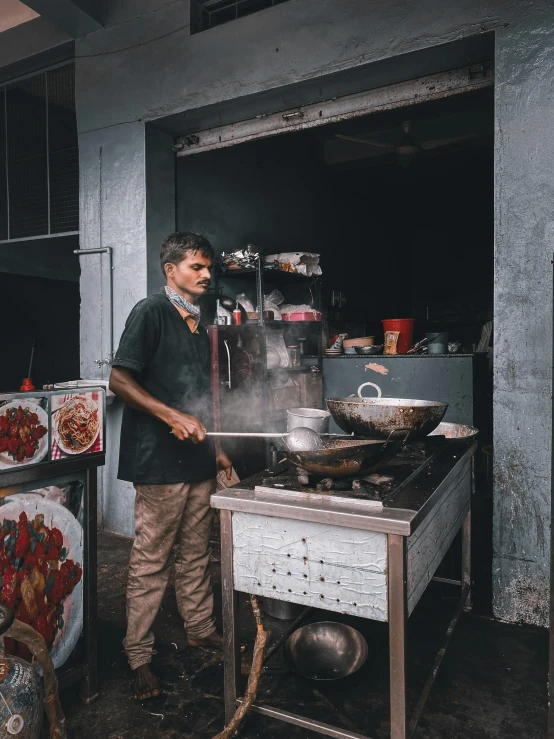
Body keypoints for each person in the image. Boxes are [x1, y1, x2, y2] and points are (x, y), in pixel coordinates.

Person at [109, 232, 232, 701]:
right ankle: (138, 655)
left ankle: (199, 627)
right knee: (151, 560)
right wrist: (170, 416)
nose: (206, 274)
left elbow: (197, 396)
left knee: (197, 552)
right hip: (158, 461)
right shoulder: (151, 311)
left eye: (208, 267)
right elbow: (119, 379)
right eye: (197, 267)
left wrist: (216, 448)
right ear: (171, 270)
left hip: (198, 458)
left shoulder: (198, 321)